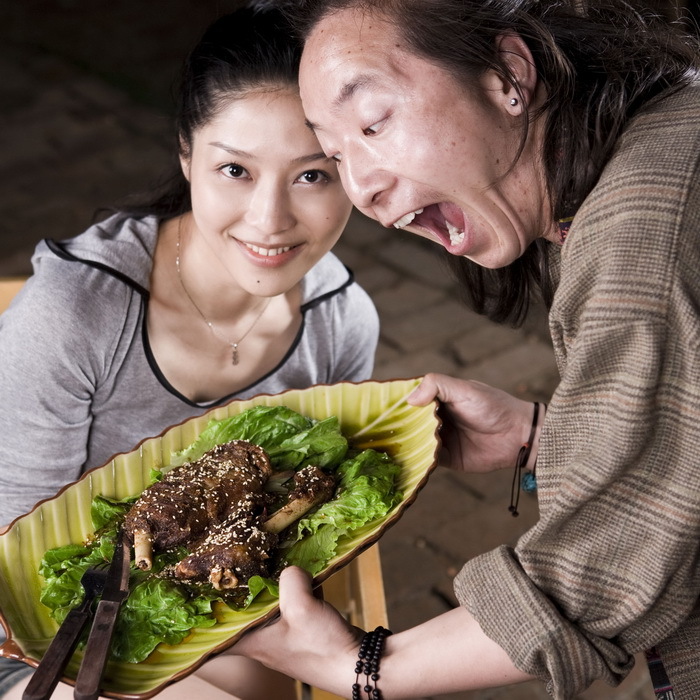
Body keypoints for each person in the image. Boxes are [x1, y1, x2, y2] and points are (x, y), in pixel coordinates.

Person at [231, 0, 700, 698]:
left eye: (374, 123)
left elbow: (601, 572)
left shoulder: (639, 239)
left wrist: (356, 666)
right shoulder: (669, 127)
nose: (363, 188)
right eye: (335, 154)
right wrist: (545, 435)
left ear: (508, 74)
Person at [0, 4, 378, 699]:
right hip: (31, 639)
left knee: (258, 674)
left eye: (314, 175)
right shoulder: (76, 314)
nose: (270, 219)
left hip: (209, 619)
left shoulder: (341, 323)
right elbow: (15, 567)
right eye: (235, 169)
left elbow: (306, 536)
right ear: (186, 155)